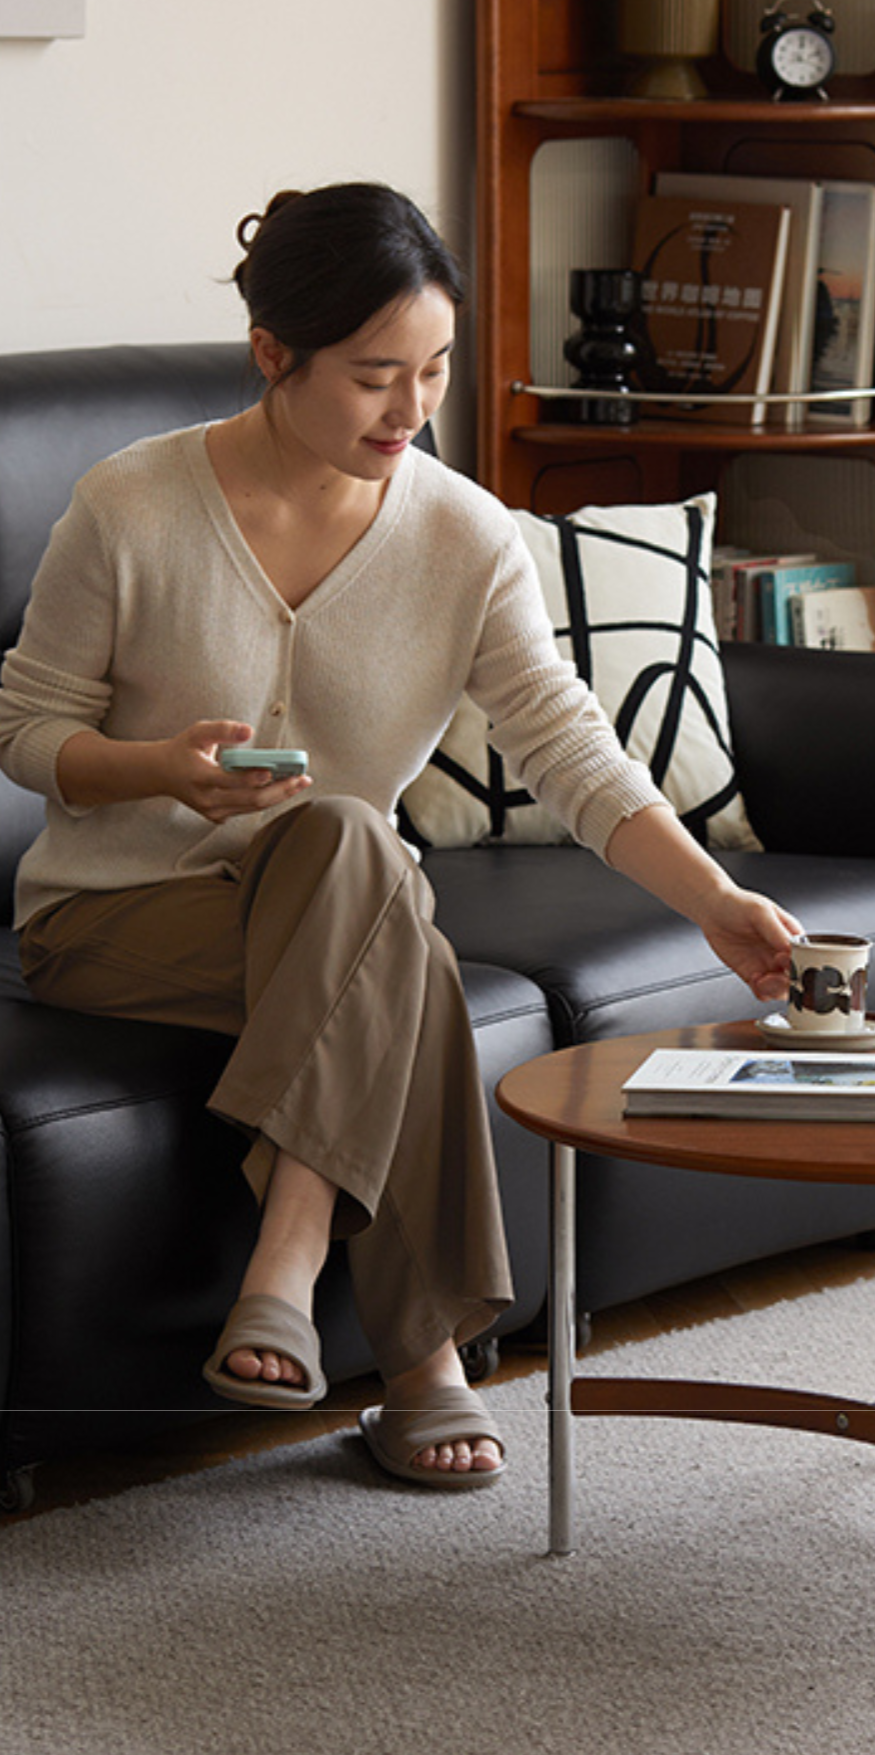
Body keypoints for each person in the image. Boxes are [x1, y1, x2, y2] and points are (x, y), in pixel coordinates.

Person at [0, 183, 801, 1490]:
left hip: (332, 898)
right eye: (375, 376)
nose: (412, 407)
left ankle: (295, 1262)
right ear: (275, 355)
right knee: (396, 923)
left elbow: (571, 750)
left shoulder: (464, 535)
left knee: (354, 859)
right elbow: (27, 728)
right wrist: (157, 767)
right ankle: (420, 1355)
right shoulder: (131, 507)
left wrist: (712, 900)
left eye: (432, 369)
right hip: (114, 914)